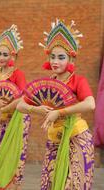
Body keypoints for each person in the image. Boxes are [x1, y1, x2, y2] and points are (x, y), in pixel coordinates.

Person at [16, 19, 95, 189]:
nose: (55, 61)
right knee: (50, 184)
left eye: (61, 57)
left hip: (77, 137)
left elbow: (90, 104)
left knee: (73, 185)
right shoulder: (45, 85)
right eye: (52, 56)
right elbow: (20, 106)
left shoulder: (78, 81)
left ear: (70, 59)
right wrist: (36, 109)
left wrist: (59, 112)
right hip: (54, 139)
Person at [0, 25, 31, 190]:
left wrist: (2, 109)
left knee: (13, 157)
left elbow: (22, 99)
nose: (2, 57)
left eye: (6, 54)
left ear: (14, 55)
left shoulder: (18, 75)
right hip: (2, 120)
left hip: (18, 119)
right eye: (0, 53)